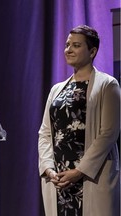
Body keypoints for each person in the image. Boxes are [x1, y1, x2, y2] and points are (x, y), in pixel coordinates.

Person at [38, 25, 120, 216]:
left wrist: (79, 171)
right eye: (67, 45)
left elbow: (108, 133)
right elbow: (45, 132)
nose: (68, 50)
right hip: (60, 177)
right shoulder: (56, 89)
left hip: (91, 175)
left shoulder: (108, 85)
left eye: (76, 45)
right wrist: (48, 168)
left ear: (92, 51)